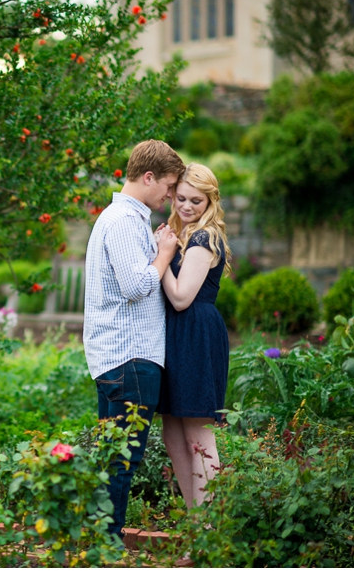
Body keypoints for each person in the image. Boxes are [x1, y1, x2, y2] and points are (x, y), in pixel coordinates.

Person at [83, 139, 185, 542]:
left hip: (117, 356)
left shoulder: (122, 219)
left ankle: (97, 539)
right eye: (169, 185)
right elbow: (137, 285)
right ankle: (107, 545)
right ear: (148, 177)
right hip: (130, 357)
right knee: (123, 458)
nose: (171, 195)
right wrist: (162, 253)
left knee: (113, 456)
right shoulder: (124, 221)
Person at [156, 163, 232, 510]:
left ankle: (207, 533)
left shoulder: (205, 237)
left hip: (197, 335)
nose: (186, 207)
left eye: (196, 201)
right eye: (181, 198)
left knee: (198, 436)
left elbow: (181, 297)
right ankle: (195, 523)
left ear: (210, 202)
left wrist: (162, 257)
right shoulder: (182, 232)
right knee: (172, 433)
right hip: (175, 336)